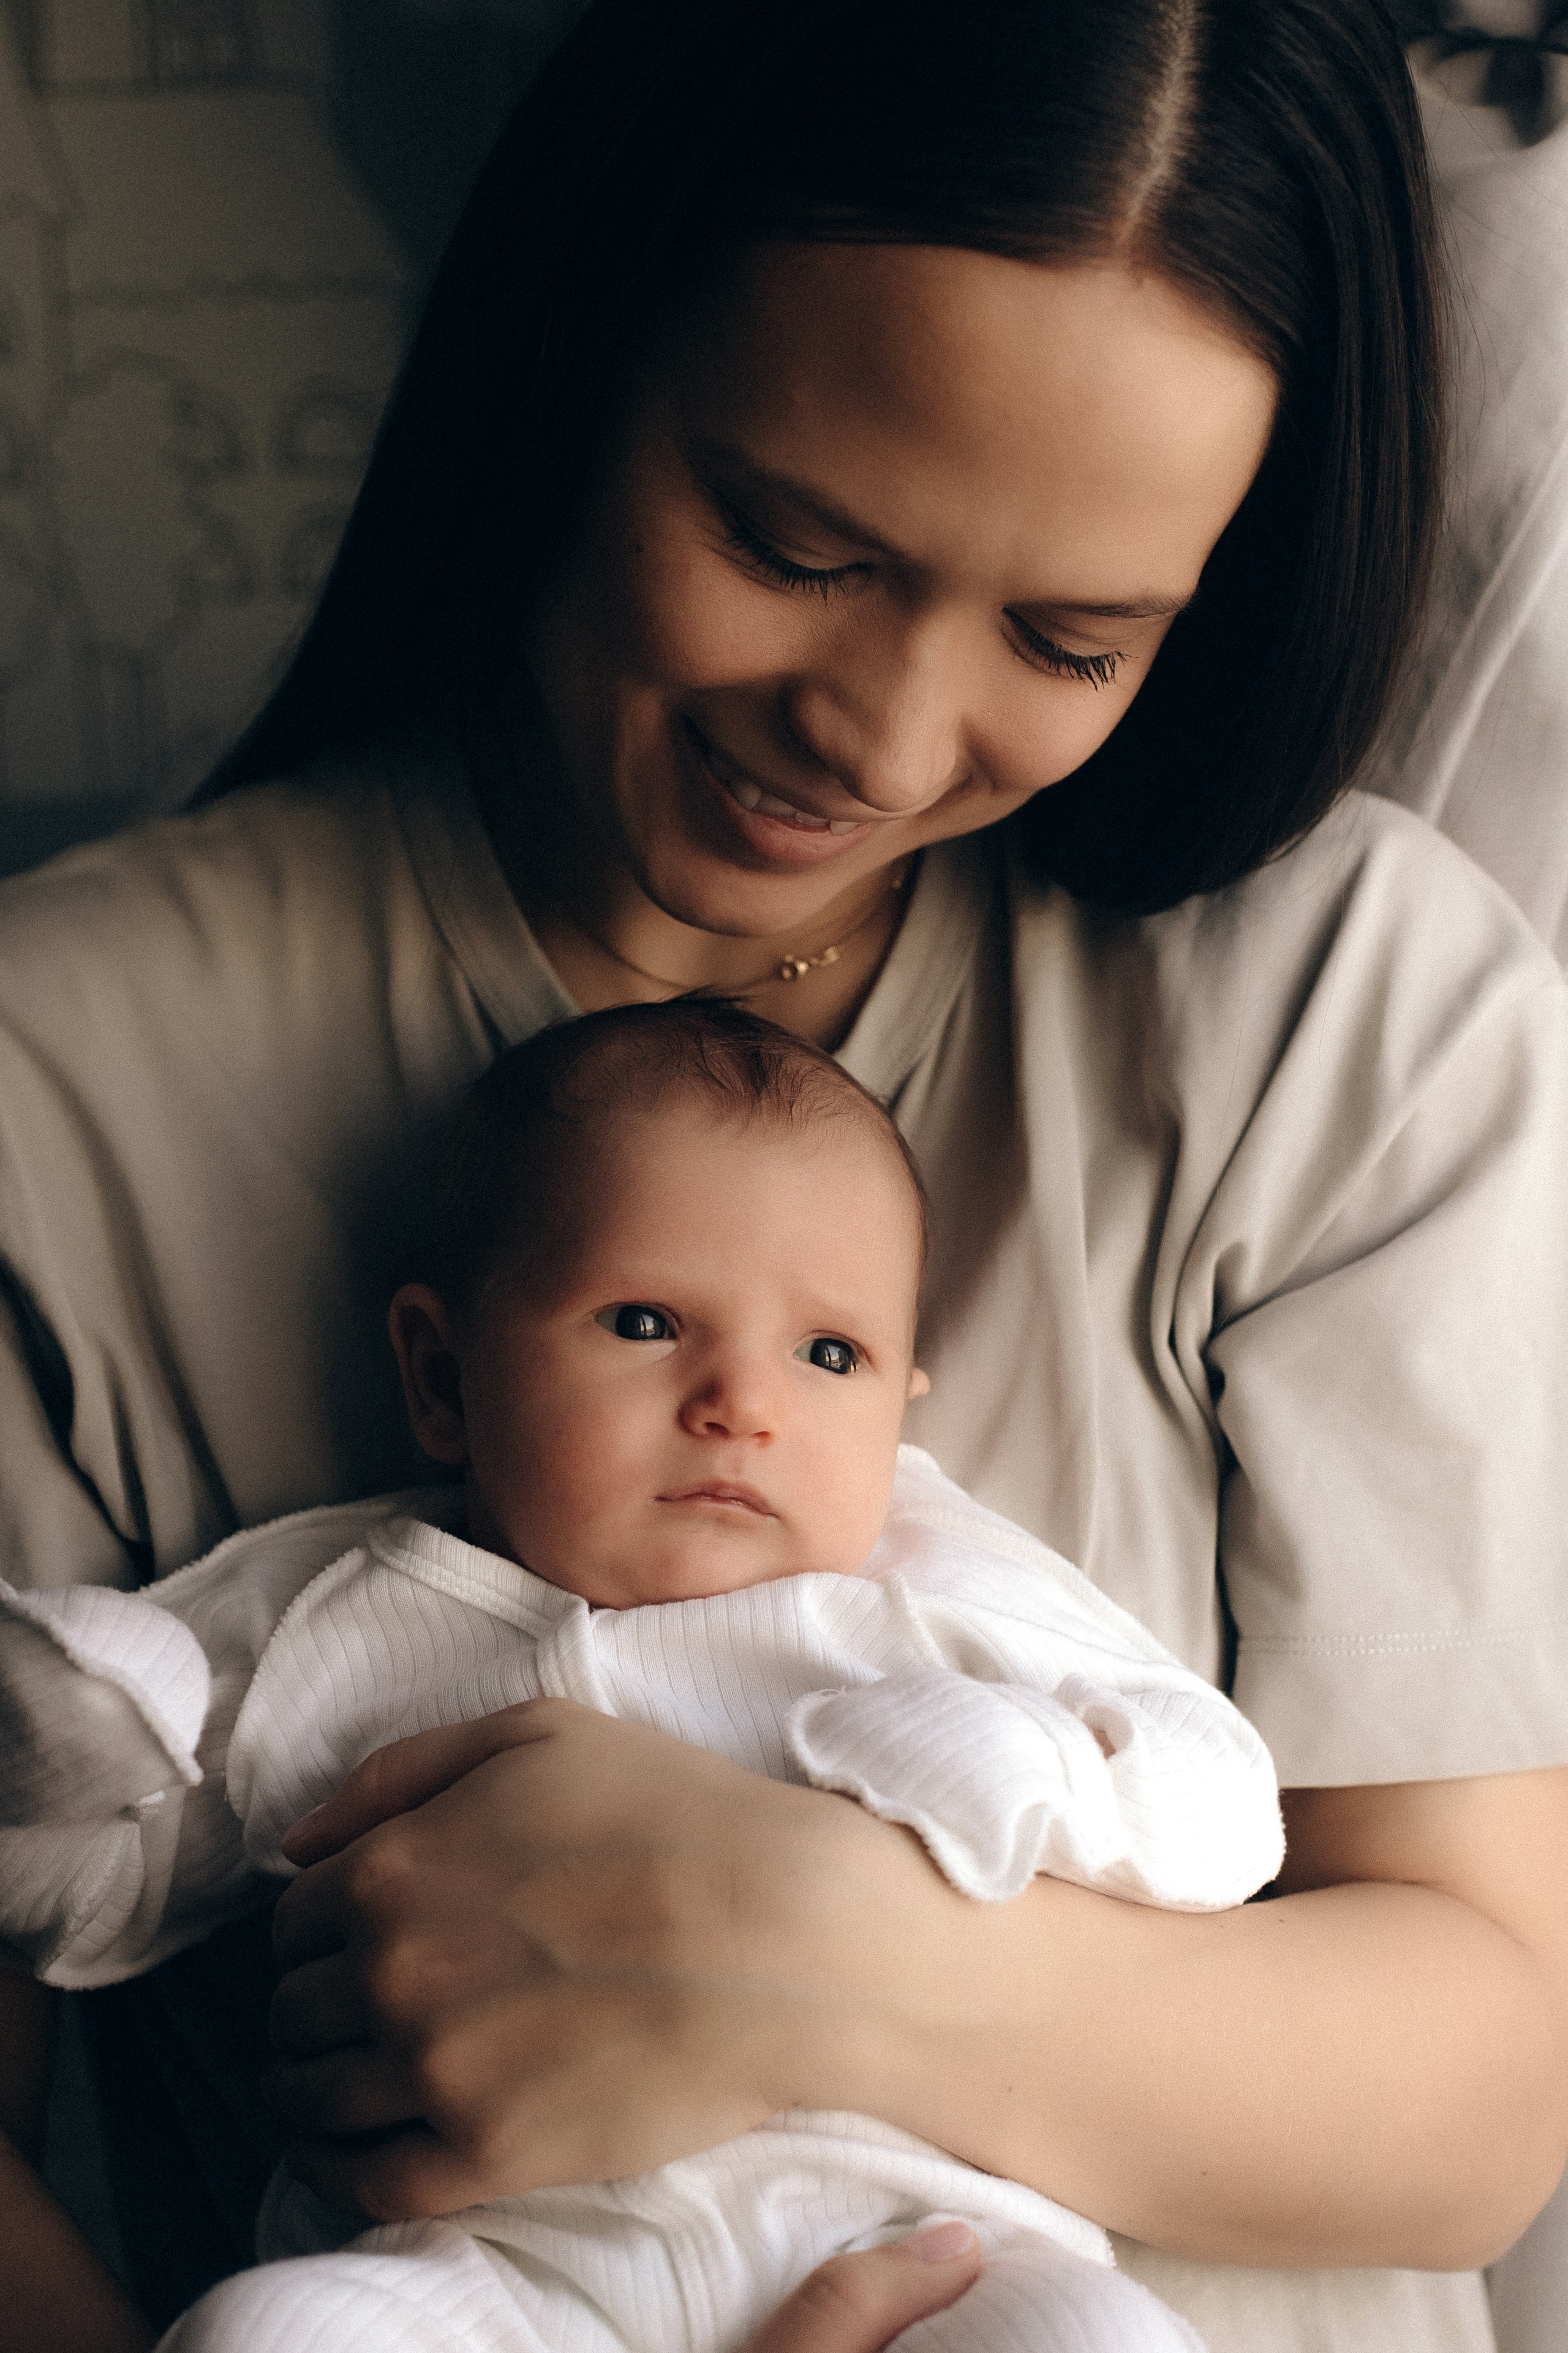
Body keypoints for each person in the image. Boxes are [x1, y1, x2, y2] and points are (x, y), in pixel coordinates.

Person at [2, 3, 1567, 2351]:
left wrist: (774, 1950)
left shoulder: (1356, 1011)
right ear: (589, 340)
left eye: (1072, 637)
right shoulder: (70, 1074)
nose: (887, 733)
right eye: (794, 540)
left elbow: (1478, 2084)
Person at [2, 999, 1287, 2352]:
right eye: (643, 1320)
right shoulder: (347, 1614)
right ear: (442, 1376)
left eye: (828, 1352)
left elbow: (1222, 1807)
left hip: (924, 2250)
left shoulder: (931, 1592)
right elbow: (89, 1903)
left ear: (904, 1399)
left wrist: (1038, 1766)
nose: (742, 1399)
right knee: (266, 2336)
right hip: (491, 2271)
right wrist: (84, 1741)